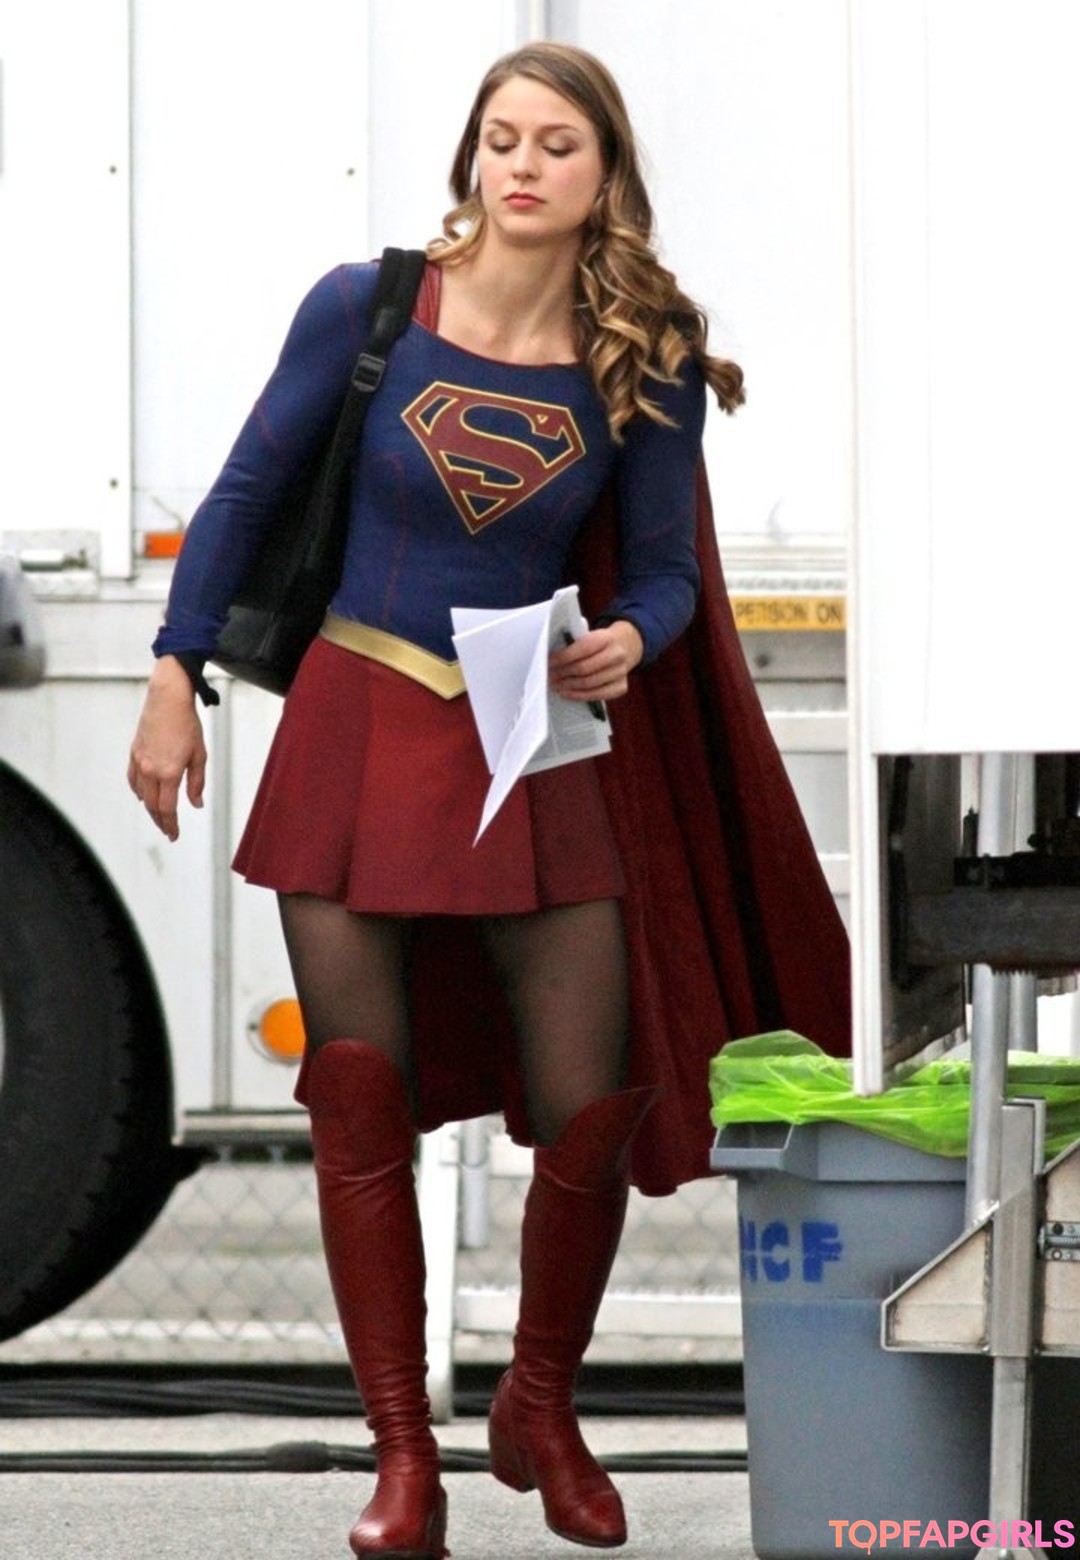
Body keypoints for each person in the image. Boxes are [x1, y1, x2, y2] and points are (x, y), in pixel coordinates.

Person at [129, 40, 849, 1560]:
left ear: (606, 174)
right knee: (359, 1095)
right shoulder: (371, 308)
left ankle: (540, 1405)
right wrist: (173, 672)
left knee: (591, 1100)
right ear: (474, 156)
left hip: (535, 738)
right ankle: (404, 1456)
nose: (521, 166)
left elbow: (666, 570)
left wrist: (633, 636)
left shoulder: (644, 352)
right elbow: (244, 494)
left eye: (556, 145)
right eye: (501, 139)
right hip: (357, 722)